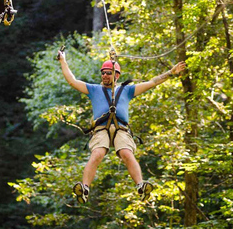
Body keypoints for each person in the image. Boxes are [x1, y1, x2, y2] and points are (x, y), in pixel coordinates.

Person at [57, 49, 186, 203]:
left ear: (116, 75)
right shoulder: (94, 90)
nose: (105, 75)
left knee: (126, 153)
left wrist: (170, 73)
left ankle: (140, 185)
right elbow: (72, 81)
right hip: (101, 129)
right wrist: (63, 61)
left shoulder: (127, 90)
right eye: (103, 73)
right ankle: (84, 189)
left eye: (108, 73)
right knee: (97, 154)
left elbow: (152, 82)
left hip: (121, 130)